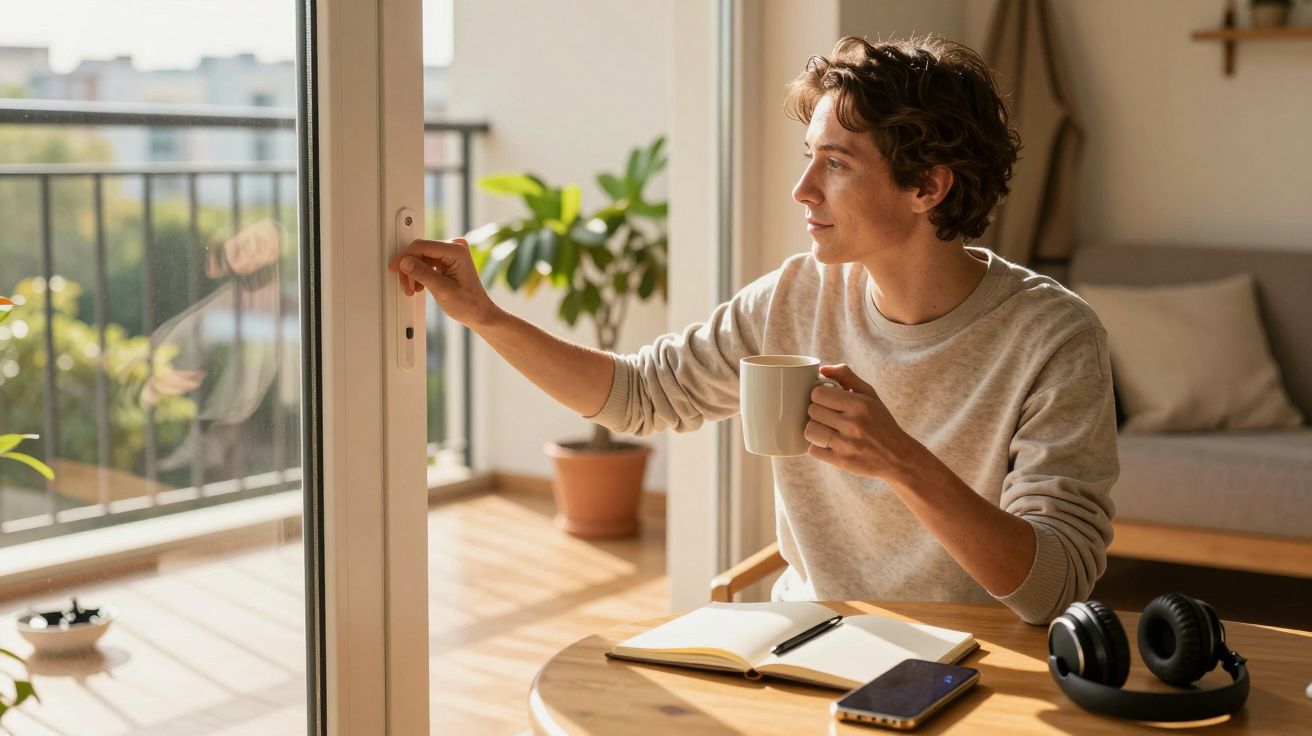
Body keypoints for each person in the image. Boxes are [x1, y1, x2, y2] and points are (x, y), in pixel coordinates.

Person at [389, 35, 1118, 626]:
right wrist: (485, 316)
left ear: (928, 186)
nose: (803, 191)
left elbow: (1049, 588)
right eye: (809, 159)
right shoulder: (797, 295)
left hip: (974, 662)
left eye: (835, 164)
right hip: (813, 640)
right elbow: (639, 395)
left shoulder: (1053, 336)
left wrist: (901, 460)